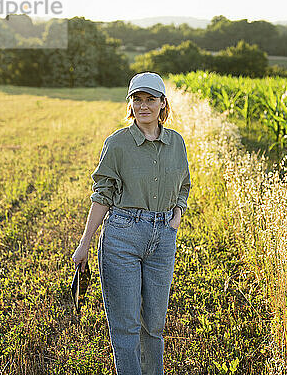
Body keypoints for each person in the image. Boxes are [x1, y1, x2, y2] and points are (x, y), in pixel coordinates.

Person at [71, 72, 191, 374]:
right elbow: (102, 196)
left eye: (150, 99)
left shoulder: (176, 142)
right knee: (125, 328)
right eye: (137, 99)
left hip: (163, 238)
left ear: (163, 103)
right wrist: (84, 244)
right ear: (130, 104)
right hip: (122, 236)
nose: (143, 105)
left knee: (153, 325)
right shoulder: (117, 144)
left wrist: (177, 213)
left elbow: (184, 183)